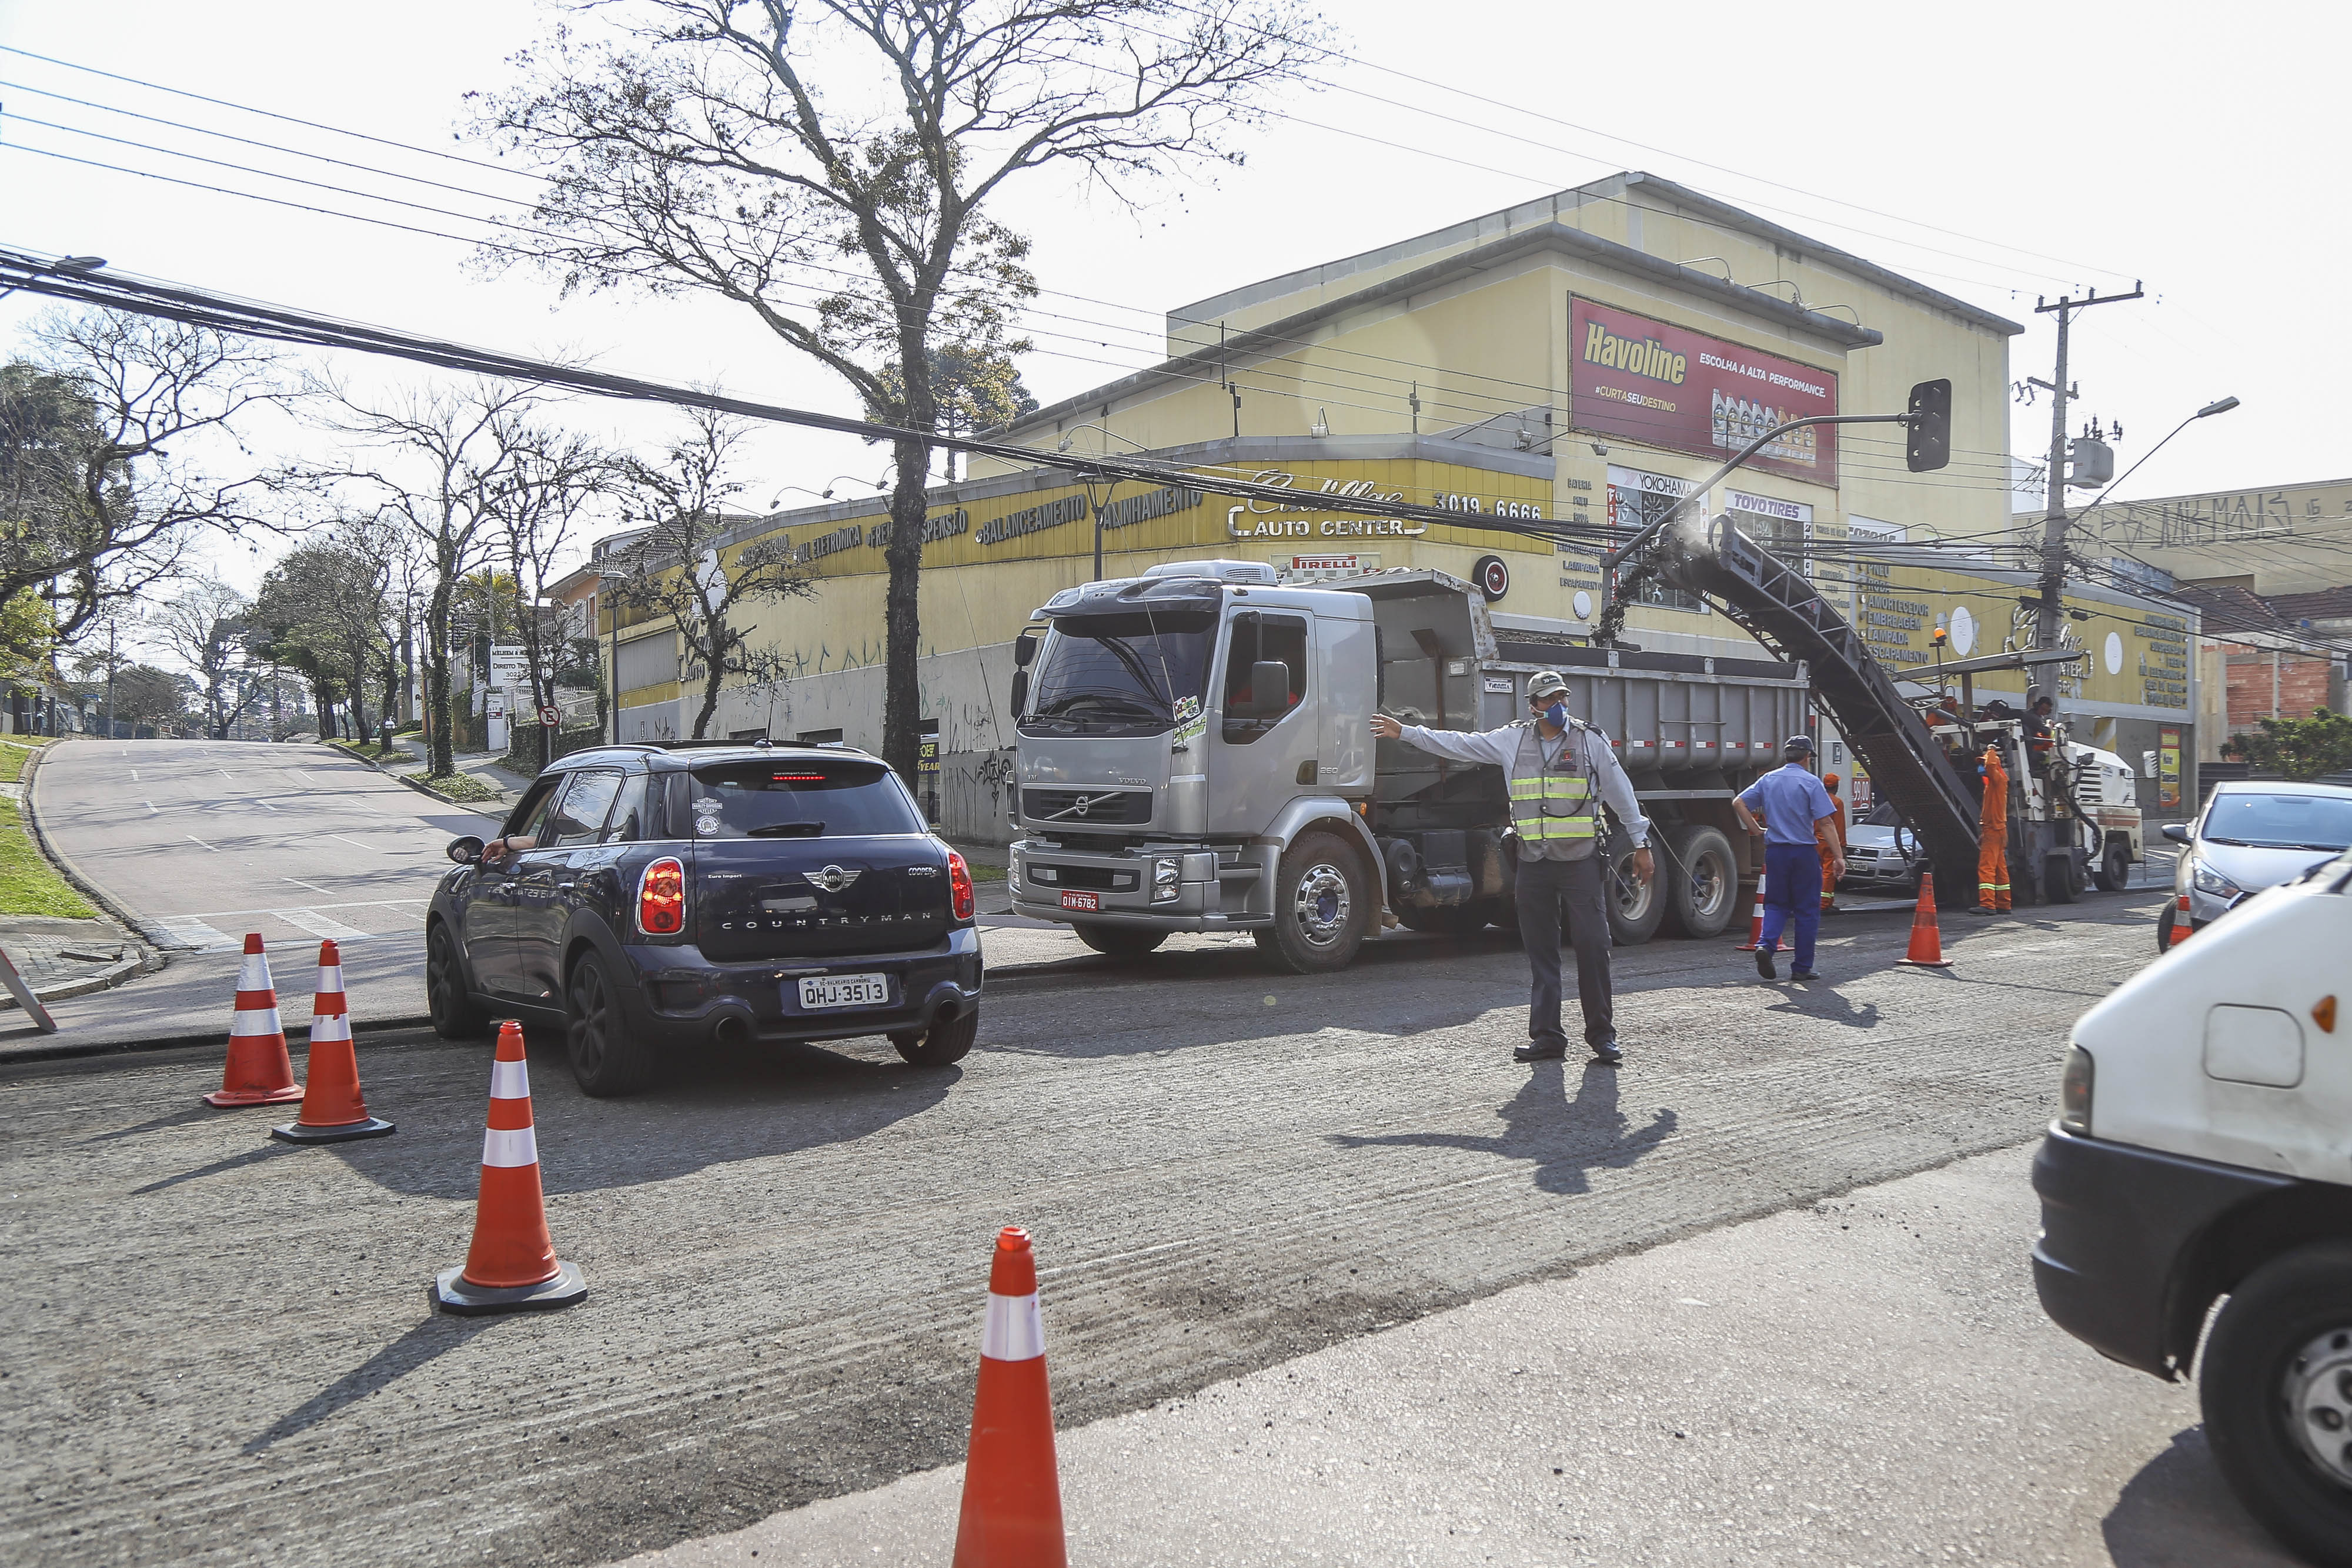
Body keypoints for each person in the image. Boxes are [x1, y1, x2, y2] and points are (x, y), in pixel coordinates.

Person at [1370, 670, 1651, 1066]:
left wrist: (1641, 843)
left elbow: (1622, 793)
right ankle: (1548, 1037)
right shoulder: (1512, 740)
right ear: (1533, 706)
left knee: (1593, 947)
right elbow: (1459, 744)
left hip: (1580, 861)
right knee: (1541, 953)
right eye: (1549, 699)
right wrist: (1406, 732)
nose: (1558, 705)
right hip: (1534, 863)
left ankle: (1603, 1037)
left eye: (1562, 697)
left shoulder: (1590, 740)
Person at [1732, 736, 1845, 981]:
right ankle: (1802, 967)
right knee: (1807, 909)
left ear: (1787, 756)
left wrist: (1756, 830)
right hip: (1804, 853)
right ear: (1807, 757)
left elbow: (1739, 802)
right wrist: (1838, 857)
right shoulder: (1811, 782)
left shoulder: (1769, 779)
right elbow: (1826, 822)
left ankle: (1766, 945)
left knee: (1775, 904)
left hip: (1776, 852)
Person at [1971, 741, 2012, 915]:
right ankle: (2004, 904)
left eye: (1984, 764)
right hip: (1996, 830)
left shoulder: (1998, 781)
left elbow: (1990, 766)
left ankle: (1987, 904)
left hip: (1994, 830)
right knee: (2000, 869)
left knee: (1986, 868)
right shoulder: (1994, 785)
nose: (1982, 768)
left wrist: (1991, 750)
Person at [1817, 771, 1847, 915]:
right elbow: (1839, 826)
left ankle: (1826, 901)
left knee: (1817, 872)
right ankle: (1824, 903)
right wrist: (1842, 847)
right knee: (1829, 873)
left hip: (1815, 842)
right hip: (1830, 843)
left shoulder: (1817, 799)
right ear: (1836, 787)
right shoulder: (1837, 802)